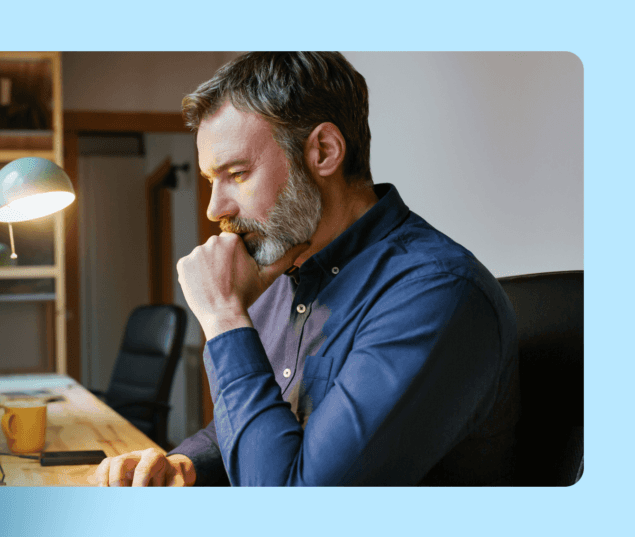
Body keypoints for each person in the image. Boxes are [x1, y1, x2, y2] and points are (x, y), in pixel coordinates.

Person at [91, 52, 519, 487]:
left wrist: (223, 318)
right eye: (210, 180)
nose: (215, 207)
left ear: (324, 151)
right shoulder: (284, 268)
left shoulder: (435, 295)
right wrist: (186, 465)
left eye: (236, 174)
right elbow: (253, 425)